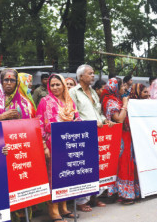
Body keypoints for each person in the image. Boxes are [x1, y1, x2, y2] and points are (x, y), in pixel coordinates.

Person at [36, 74, 80, 222]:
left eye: (58, 84)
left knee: (66, 174)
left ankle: (64, 207)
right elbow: (40, 124)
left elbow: (77, 119)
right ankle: (53, 209)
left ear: (63, 85)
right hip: (52, 143)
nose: (55, 87)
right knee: (53, 176)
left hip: (68, 143)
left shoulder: (69, 102)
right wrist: (44, 146)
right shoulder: (44, 101)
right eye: (52, 85)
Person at [69, 64, 112, 211]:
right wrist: (91, 123)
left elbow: (97, 111)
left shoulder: (93, 92)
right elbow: (73, 114)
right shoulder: (73, 92)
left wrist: (104, 119)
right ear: (81, 76)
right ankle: (81, 201)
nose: (93, 76)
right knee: (85, 167)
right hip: (83, 134)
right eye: (90, 73)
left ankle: (95, 197)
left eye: (93, 73)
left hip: (98, 133)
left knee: (98, 165)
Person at [101, 77, 140, 204]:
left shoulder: (117, 99)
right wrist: (125, 104)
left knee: (129, 163)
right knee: (123, 164)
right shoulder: (110, 101)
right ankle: (125, 194)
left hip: (126, 135)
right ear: (115, 88)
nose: (124, 87)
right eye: (122, 85)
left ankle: (130, 191)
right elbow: (119, 119)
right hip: (119, 137)